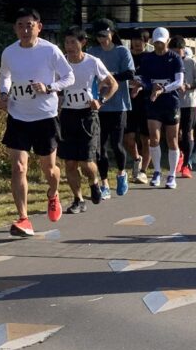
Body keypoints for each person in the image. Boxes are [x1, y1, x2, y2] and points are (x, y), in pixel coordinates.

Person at [0, 8, 75, 234]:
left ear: (39, 27)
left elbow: (69, 77)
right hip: (18, 116)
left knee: (49, 169)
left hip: (45, 117)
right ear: (15, 28)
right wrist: (4, 93)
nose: (25, 30)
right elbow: (5, 76)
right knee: (18, 167)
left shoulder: (50, 50)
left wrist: (50, 87)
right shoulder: (9, 52)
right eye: (20, 25)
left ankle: (53, 193)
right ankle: (23, 218)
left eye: (29, 25)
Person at [58, 27, 119, 212]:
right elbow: (56, 87)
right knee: (70, 163)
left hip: (88, 116)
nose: (69, 46)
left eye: (73, 42)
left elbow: (113, 84)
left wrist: (100, 101)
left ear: (83, 42)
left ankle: (94, 182)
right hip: (67, 115)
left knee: (86, 162)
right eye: (66, 42)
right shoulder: (60, 63)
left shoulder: (93, 62)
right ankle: (78, 200)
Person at [87, 19, 136, 198]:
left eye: (105, 35)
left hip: (119, 105)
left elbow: (130, 73)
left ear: (112, 33)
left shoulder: (122, 51)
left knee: (116, 144)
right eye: (98, 36)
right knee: (100, 147)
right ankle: (104, 183)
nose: (102, 39)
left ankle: (122, 174)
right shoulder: (92, 52)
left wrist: (109, 78)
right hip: (99, 106)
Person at [136, 26, 185, 188]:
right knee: (154, 138)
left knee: (172, 139)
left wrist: (162, 89)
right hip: (153, 102)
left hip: (171, 102)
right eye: (156, 42)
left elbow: (179, 82)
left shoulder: (175, 58)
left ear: (168, 41)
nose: (159, 45)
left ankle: (172, 175)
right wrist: (147, 86)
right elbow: (142, 78)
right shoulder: (147, 58)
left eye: (162, 43)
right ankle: (156, 171)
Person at [171, 37, 196, 177]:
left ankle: (186, 165)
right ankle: (180, 156)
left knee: (188, 132)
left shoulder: (191, 62)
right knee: (175, 133)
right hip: (173, 102)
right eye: (173, 52)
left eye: (178, 52)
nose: (176, 55)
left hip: (189, 102)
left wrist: (189, 86)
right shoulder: (169, 61)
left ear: (183, 50)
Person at [123, 30, 150, 183]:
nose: (137, 42)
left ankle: (143, 171)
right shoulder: (125, 56)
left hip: (146, 100)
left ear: (146, 41)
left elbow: (154, 78)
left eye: (140, 40)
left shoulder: (150, 57)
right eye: (134, 39)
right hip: (128, 101)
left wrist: (141, 85)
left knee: (146, 139)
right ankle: (136, 158)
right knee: (128, 138)